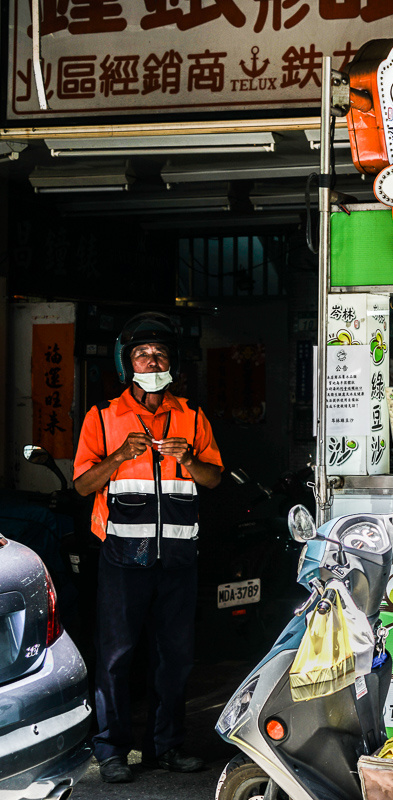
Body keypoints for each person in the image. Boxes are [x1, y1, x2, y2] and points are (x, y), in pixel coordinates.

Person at [73, 312, 223, 783]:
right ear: (127, 363)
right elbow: (82, 486)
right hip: (122, 560)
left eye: (159, 354)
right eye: (142, 353)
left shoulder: (193, 418)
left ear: (172, 363)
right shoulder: (102, 417)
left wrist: (189, 459)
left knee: (174, 658)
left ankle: (168, 746)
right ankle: (112, 749)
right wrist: (118, 457)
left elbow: (214, 478)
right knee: (116, 658)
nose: (151, 360)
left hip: (177, 561)